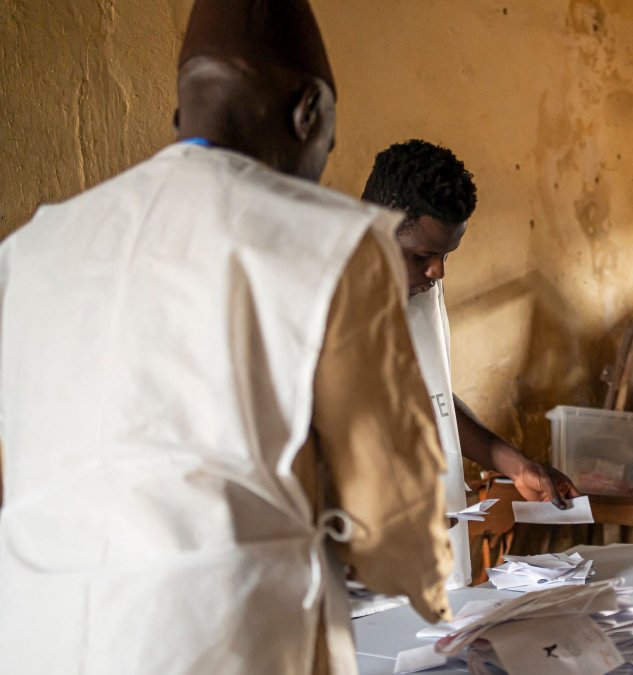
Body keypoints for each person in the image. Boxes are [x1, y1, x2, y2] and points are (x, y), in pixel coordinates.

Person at [0, 1, 453, 673]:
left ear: (181, 117)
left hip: (37, 637)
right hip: (223, 640)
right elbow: (393, 515)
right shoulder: (332, 240)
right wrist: (434, 587)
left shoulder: (31, 248)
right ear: (309, 113)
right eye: (327, 141)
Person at [361, 139, 580, 588]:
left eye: (446, 257)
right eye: (423, 256)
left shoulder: (419, 286)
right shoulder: (310, 301)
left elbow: (432, 399)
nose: (438, 272)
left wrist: (513, 464)